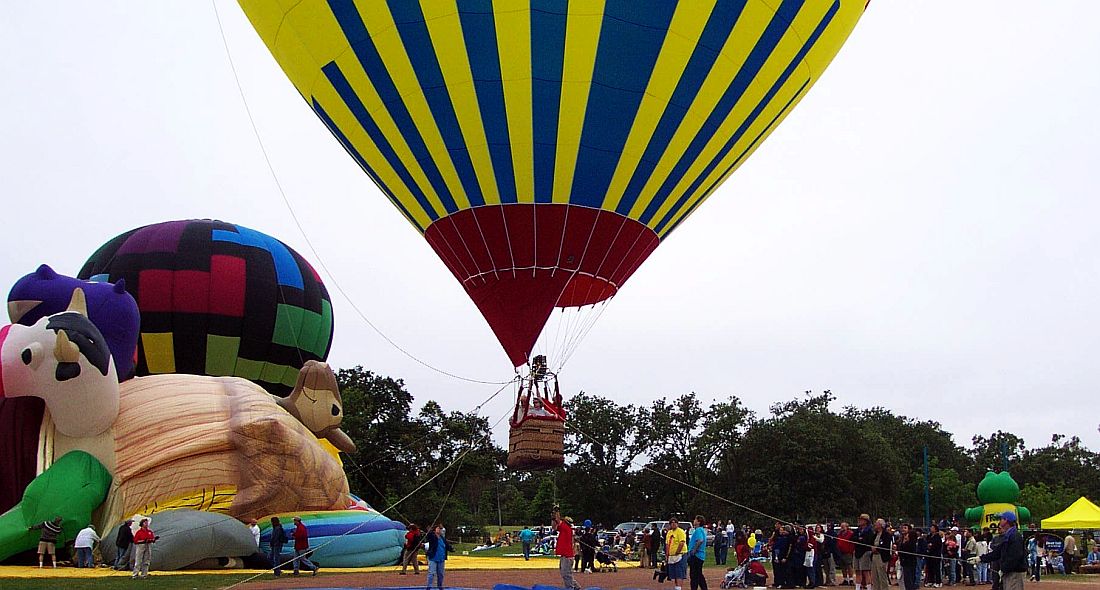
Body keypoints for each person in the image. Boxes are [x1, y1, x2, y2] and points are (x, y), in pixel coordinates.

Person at [977, 512, 1027, 590]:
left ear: (1006, 520)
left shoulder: (1015, 536)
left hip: (1014, 573)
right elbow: (998, 552)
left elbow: (1015, 556)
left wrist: (1004, 569)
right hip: (1009, 572)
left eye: (1001, 519)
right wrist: (980, 558)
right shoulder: (1008, 535)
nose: (999, 521)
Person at [552, 510, 580, 590]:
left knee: (566, 573)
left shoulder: (566, 528)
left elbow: (557, 521)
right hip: (566, 555)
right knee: (565, 573)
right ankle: (576, 586)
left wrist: (556, 512)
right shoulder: (566, 528)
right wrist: (554, 517)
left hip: (567, 555)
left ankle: (570, 588)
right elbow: (554, 525)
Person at [425, 523, 452, 590]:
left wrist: (451, 549)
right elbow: (428, 535)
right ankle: (429, 587)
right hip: (433, 558)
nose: (440, 530)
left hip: (441, 558)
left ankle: (440, 586)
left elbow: (446, 545)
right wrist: (430, 530)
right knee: (431, 573)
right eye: (438, 528)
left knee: (440, 574)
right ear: (434, 530)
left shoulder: (442, 538)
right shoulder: (432, 536)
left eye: (440, 528)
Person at [666, 518, 689, 590]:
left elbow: (682, 542)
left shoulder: (680, 531)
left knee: (679, 572)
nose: (673, 524)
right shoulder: (669, 533)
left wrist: (677, 552)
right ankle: (676, 586)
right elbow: (667, 544)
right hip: (671, 556)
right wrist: (667, 554)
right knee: (674, 573)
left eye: (675, 522)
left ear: (677, 523)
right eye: (671, 523)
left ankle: (679, 587)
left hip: (680, 555)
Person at [854, 515, 875, 590]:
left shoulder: (869, 531)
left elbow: (868, 541)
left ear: (866, 521)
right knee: (857, 571)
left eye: (861, 519)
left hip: (865, 552)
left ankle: (869, 588)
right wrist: (859, 539)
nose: (859, 521)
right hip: (857, 552)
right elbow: (853, 538)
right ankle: (857, 588)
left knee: (866, 571)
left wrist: (860, 539)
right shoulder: (857, 530)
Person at [689, 515, 709, 590]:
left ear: (698, 522)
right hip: (700, 556)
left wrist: (694, 550)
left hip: (696, 556)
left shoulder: (698, 530)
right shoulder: (701, 530)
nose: (694, 521)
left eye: (695, 519)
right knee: (699, 575)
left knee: (694, 575)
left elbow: (700, 540)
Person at [870, 519, 890, 590]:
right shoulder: (875, 534)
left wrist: (877, 549)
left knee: (882, 576)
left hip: (881, 557)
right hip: (874, 557)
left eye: (876, 524)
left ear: (880, 525)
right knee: (875, 577)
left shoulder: (886, 535)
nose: (874, 525)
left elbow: (886, 546)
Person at [897, 525, 918, 590]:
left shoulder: (911, 541)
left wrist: (905, 542)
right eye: (902, 528)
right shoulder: (901, 539)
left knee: (909, 581)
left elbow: (909, 550)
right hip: (903, 562)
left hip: (909, 563)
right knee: (904, 580)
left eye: (905, 528)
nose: (903, 529)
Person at [837, 521, 855, 586]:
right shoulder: (839, 534)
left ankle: (851, 579)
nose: (841, 528)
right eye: (841, 526)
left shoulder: (850, 534)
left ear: (846, 527)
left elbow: (853, 543)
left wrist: (851, 550)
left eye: (843, 526)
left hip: (848, 552)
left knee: (849, 566)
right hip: (841, 552)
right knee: (843, 566)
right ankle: (845, 579)